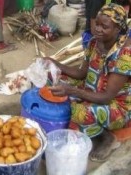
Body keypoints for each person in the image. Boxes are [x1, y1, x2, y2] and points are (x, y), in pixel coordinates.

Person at [44, 3, 131, 162]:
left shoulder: (125, 55)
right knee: (52, 78)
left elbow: (106, 97)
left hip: (116, 106)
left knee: (79, 112)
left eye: (104, 27)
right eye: (97, 24)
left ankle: (107, 138)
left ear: (118, 30)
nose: (98, 29)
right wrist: (55, 63)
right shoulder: (94, 42)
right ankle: (87, 126)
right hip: (90, 91)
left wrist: (72, 91)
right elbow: (81, 73)